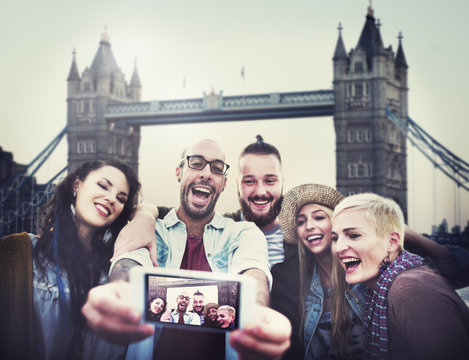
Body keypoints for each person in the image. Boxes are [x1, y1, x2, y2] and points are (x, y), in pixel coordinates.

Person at [82, 139, 291, 360]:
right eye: (196, 163)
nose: (207, 174)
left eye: (217, 168)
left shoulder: (244, 232)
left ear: (224, 183)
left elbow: (253, 271)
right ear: (178, 172)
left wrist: (255, 311)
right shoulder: (151, 229)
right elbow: (130, 263)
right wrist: (120, 290)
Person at [0, 159, 140, 360]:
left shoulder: (114, 269)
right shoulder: (18, 252)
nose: (111, 198)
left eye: (121, 198)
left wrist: (147, 214)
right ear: (77, 185)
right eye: (103, 185)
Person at [331, 193, 469, 359]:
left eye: (354, 235)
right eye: (335, 238)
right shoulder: (384, 286)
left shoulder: (411, 290)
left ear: (392, 241)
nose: (339, 248)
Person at [279, 183, 366, 359]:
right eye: (301, 222)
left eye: (319, 218)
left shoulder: (364, 272)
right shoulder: (303, 285)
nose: (309, 226)